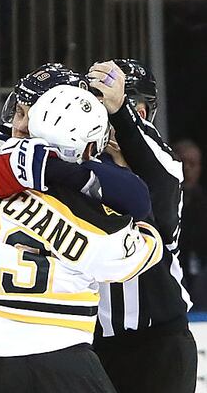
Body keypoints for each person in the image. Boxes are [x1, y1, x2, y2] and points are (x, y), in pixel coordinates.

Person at [0, 62, 152, 391]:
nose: (19, 126)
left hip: (16, 353)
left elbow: (138, 194)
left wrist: (50, 168)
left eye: (31, 114)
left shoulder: (79, 167)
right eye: (18, 111)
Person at [87, 58, 197, 393]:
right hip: (95, 345)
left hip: (160, 342)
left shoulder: (165, 163)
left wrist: (121, 112)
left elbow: (158, 201)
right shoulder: (81, 166)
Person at [173, 139, 207, 295]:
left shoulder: (203, 202)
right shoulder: (160, 201)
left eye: (192, 164)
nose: (187, 168)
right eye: (182, 162)